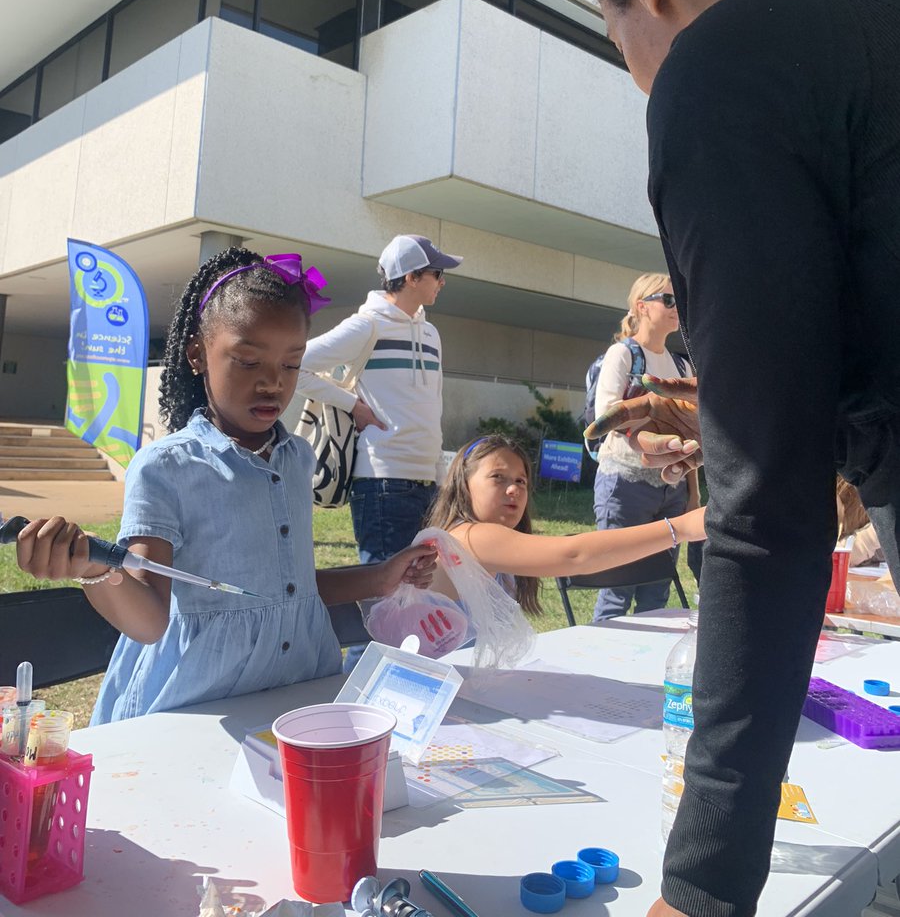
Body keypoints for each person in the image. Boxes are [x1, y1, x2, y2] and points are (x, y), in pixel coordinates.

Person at [576, 0, 900, 914]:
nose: (637, 68)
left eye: (617, 37)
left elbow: (766, 516)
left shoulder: (717, 69)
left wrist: (702, 888)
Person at [13, 248, 435, 723]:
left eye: (291, 364)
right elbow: (148, 618)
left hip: (294, 694)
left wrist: (382, 577)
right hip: (199, 707)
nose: (272, 383)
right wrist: (94, 567)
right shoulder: (166, 467)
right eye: (248, 361)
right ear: (198, 354)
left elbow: (288, 588)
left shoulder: (297, 458)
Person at [295, 234, 461, 566]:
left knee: (423, 588)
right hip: (382, 483)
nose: (442, 282)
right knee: (384, 591)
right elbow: (294, 365)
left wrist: (442, 479)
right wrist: (352, 405)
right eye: (437, 274)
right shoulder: (366, 326)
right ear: (412, 277)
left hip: (429, 485)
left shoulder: (431, 334)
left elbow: (435, 407)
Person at [425, 434, 705, 610]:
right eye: (498, 477)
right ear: (463, 484)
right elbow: (575, 555)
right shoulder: (471, 537)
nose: (514, 489)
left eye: (521, 481)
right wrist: (682, 527)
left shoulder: (486, 543)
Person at [590, 273, 696, 619]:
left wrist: (693, 494)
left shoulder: (682, 365)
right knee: (616, 590)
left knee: (657, 591)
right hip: (625, 483)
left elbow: (691, 436)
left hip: (672, 490)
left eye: (679, 300)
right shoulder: (622, 353)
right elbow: (607, 414)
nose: (676, 307)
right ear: (641, 307)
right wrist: (649, 429)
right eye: (668, 299)